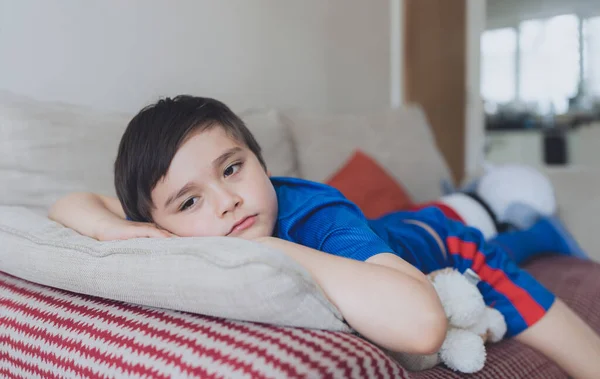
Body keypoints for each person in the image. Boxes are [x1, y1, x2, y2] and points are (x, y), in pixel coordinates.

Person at [49, 95, 600, 378]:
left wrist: (268, 247)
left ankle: (537, 229)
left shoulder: (314, 216)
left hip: (445, 244)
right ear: (159, 222)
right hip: (394, 227)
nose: (226, 201)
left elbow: (423, 324)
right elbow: (69, 202)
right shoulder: (170, 229)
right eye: (189, 201)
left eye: (232, 169)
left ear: (261, 163)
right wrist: (115, 230)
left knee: (517, 272)